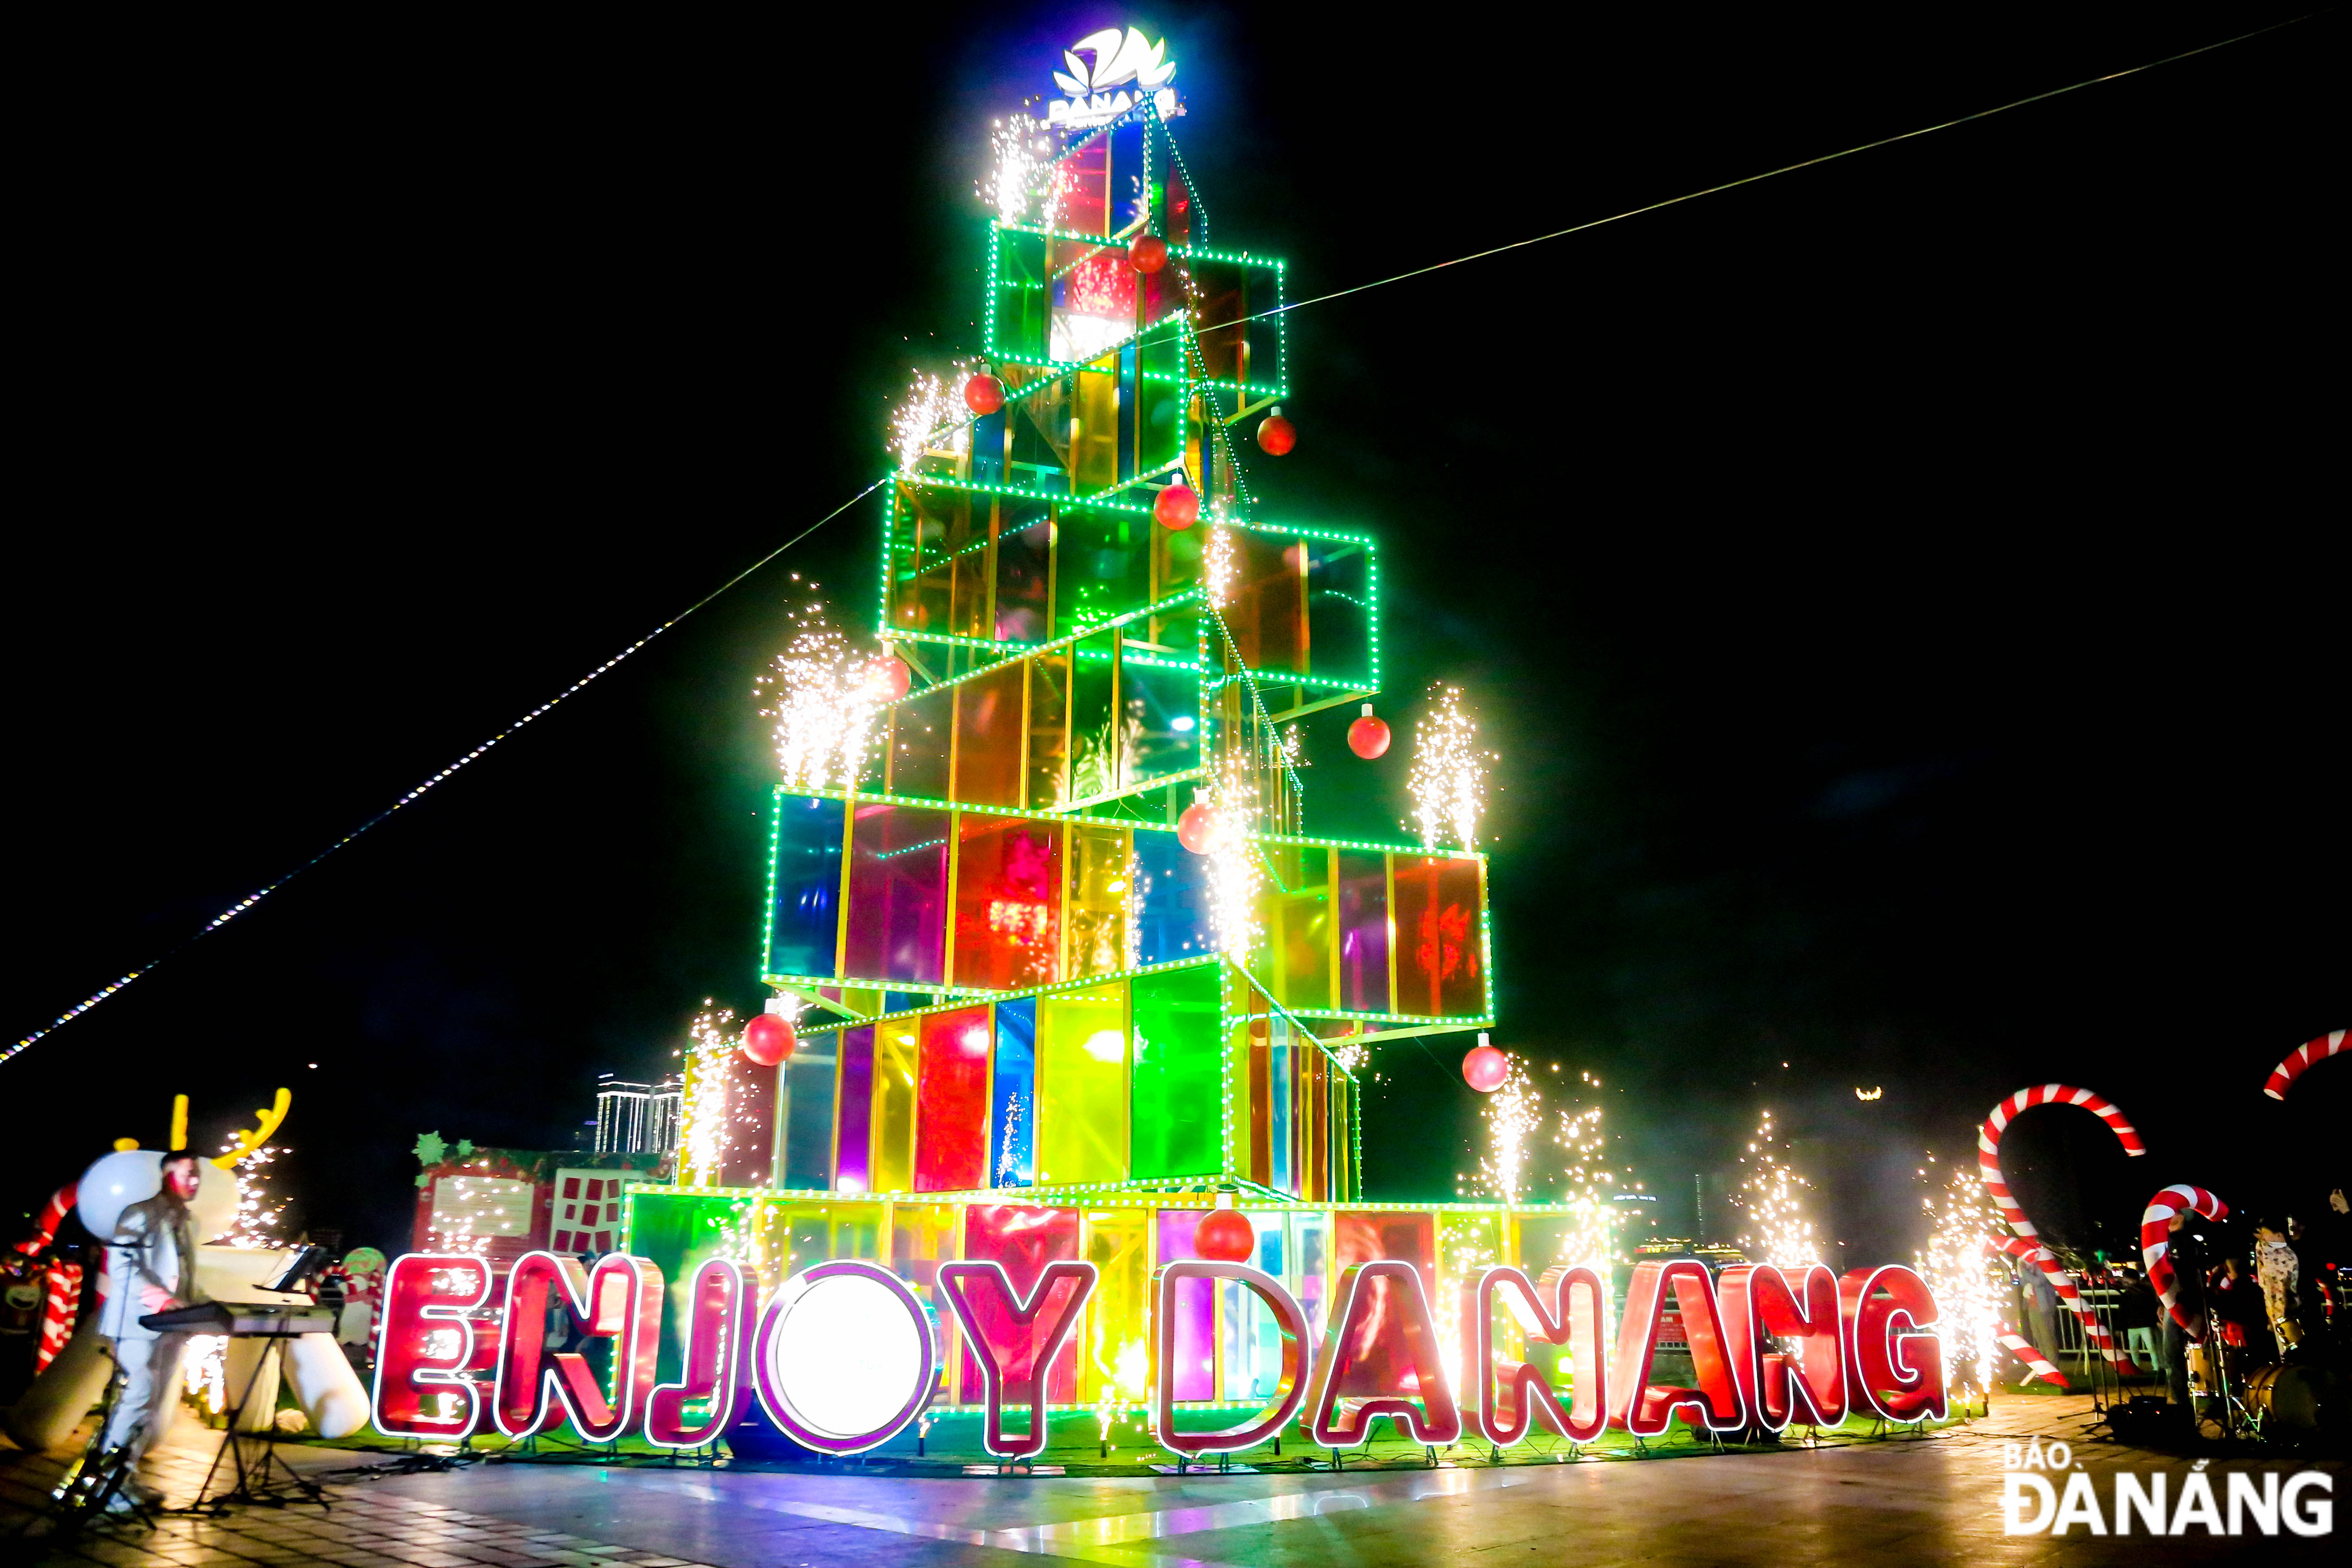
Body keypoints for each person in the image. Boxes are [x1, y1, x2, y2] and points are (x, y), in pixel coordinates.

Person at [99, 1151, 209, 1506]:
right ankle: (105, 1483)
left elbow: (187, 1274)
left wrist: (203, 1306)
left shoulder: (189, 1220)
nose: (196, 1181)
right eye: (190, 1172)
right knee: (140, 1392)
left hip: (173, 1325)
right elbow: (123, 1265)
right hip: (136, 1322)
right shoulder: (139, 1212)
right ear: (167, 1173)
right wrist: (161, 1299)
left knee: (153, 1401)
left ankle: (123, 1478)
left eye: (199, 1175)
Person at [2160, 1210, 2209, 1414]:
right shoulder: (2166, 1242)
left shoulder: (2186, 1243)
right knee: (2173, 1356)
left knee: (2183, 1354)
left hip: (2184, 1302)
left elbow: (2185, 1274)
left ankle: (2194, 1398)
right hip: (2172, 1302)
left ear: (2179, 1218)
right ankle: (2182, 1402)